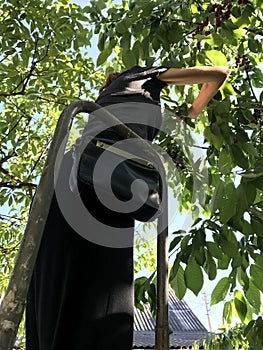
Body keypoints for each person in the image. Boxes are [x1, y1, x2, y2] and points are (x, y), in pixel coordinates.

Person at [26, 65, 229, 350]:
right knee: (99, 270)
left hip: (81, 175)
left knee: (63, 270)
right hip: (100, 174)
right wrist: (192, 112)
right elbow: (218, 74)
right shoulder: (141, 76)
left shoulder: (111, 97)